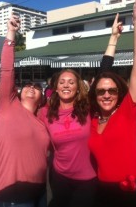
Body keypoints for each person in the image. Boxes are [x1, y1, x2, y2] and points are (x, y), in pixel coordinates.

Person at [88, 0, 136, 207]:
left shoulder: (127, 112)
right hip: (103, 192)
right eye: (101, 92)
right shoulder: (92, 118)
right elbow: (102, 74)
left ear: (120, 94)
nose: (106, 94)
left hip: (134, 190)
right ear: (95, 95)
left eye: (112, 90)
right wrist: (113, 39)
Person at [0, 15, 50, 207]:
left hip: (39, 190)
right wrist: (11, 35)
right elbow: (7, 71)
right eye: (27, 85)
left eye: (37, 87)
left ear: (42, 98)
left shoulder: (42, 119)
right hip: (10, 194)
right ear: (19, 92)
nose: (32, 87)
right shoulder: (8, 106)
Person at [40, 67, 97, 207]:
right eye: (62, 82)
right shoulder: (45, 113)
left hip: (87, 179)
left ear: (78, 88)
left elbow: (103, 73)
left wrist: (112, 44)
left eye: (71, 82)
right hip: (59, 177)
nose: (66, 85)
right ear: (56, 87)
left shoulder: (89, 108)